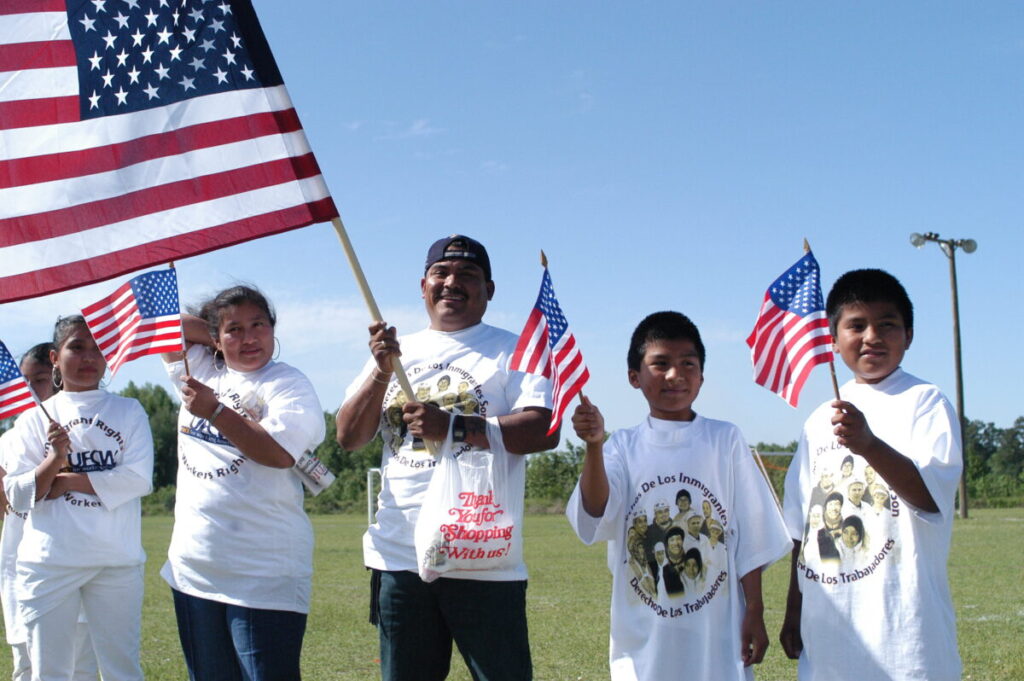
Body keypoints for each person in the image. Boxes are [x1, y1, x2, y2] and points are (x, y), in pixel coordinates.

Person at [335, 235, 557, 681]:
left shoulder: (515, 350)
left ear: (488, 291)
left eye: (467, 276)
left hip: (482, 551)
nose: (452, 283)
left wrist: (453, 427)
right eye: (442, 273)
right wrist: (381, 370)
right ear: (423, 286)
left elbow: (543, 430)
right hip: (399, 553)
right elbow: (349, 437)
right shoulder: (396, 353)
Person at [566, 311, 790, 680]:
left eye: (688, 363)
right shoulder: (622, 446)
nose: (675, 375)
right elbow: (594, 512)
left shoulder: (725, 440)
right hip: (644, 635)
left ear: (702, 375)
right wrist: (594, 447)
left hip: (716, 633)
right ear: (634, 377)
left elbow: (749, 533)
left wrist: (755, 610)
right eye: (661, 364)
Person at [779, 269, 962, 681]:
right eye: (856, 325)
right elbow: (802, 530)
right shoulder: (817, 421)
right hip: (830, 632)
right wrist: (795, 609)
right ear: (833, 338)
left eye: (887, 325)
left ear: (908, 335)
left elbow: (930, 495)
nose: (871, 337)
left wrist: (869, 445)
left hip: (907, 636)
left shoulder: (924, 402)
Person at [160, 286, 326, 681]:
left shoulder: (288, 384)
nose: (250, 338)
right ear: (214, 338)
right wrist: (217, 332)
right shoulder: (200, 368)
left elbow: (278, 453)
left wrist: (215, 410)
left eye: (259, 325)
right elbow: (168, 329)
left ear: (274, 330)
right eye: (235, 329)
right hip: (194, 568)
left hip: (262, 572)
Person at [3, 317, 153, 681]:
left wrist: (67, 481)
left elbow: (138, 479)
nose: (89, 357)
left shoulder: (128, 410)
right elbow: (19, 495)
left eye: (98, 348)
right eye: (77, 347)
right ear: (55, 357)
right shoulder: (32, 419)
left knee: (122, 670)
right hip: (49, 563)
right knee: (50, 673)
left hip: (115, 561)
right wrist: (54, 458)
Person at [0, 343, 100, 681]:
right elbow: (8, 504)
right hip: (22, 564)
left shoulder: (88, 429)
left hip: (79, 561)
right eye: (23, 381)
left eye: (39, 380)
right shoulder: (11, 439)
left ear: (56, 377)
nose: (29, 390)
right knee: (28, 667)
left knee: (80, 667)